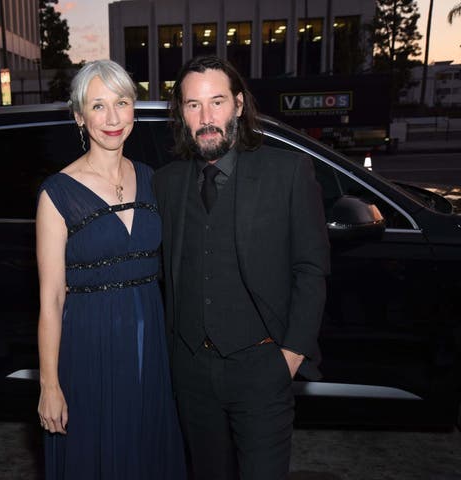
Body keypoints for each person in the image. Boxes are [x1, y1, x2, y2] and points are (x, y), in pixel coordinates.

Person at [153, 55, 331, 480]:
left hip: (262, 368)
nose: (206, 116)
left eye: (217, 102)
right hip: (191, 371)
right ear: (181, 113)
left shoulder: (286, 171)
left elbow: (311, 267)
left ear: (238, 104)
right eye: (193, 105)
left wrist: (290, 356)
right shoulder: (167, 182)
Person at [36, 60, 186, 480]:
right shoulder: (57, 193)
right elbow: (51, 298)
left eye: (121, 102)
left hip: (150, 340)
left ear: (133, 109)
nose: (113, 118)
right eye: (98, 106)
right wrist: (49, 385)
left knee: (146, 449)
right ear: (79, 116)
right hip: (89, 342)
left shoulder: (152, 179)